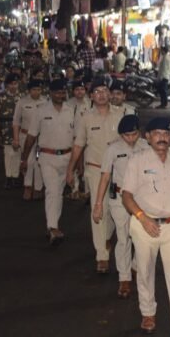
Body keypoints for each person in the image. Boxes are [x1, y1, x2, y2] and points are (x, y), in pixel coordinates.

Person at [121, 117, 170, 337]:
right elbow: (126, 195)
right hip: (145, 225)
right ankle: (148, 312)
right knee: (144, 271)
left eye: (166, 133)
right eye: (157, 133)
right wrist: (143, 218)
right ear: (148, 137)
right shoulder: (137, 160)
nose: (162, 137)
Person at [67, 82, 125, 273]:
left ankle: (106, 238)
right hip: (96, 170)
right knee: (98, 209)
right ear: (91, 96)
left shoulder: (121, 114)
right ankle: (101, 254)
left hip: (118, 171)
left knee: (115, 211)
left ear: (110, 94)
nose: (101, 95)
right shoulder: (85, 118)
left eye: (105, 91)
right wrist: (71, 170)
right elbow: (78, 145)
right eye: (97, 92)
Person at [93, 114, 149, 298]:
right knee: (123, 237)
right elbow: (105, 176)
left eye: (133, 134)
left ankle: (134, 265)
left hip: (141, 198)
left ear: (139, 132)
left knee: (140, 237)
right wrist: (98, 204)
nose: (130, 139)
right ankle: (124, 278)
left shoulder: (146, 147)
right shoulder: (113, 149)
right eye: (126, 135)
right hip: (118, 198)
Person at [23, 79, 75, 245]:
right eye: (57, 92)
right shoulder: (40, 111)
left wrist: (77, 163)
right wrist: (24, 158)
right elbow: (31, 136)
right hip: (47, 157)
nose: (61, 95)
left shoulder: (71, 110)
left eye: (63, 92)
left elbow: (77, 138)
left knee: (58, 193)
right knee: (52, 191)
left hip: (67, 157)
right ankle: (52, 227)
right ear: (51, 93)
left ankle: (53, 225)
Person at [13, 78, 47, 201]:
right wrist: (16, 139)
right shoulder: (22, 102)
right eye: (34, 89)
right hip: (25, 136)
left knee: (38, 161)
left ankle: (38, 187)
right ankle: (27, 186)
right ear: (29, 90)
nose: (36, 92)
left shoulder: (45, 102)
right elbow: (16, 122)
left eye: (38, 89)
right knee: (27, 160)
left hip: (40, 138)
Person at [0, 76, 21, 189]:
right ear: (7, 85)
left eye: (16, 83)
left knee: (17, 153)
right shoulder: (1, 96)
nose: (14, 86)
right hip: (5, 127)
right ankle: (8, 176)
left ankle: (15, 176)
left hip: (19, 127)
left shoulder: (22, 96)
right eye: (11, 83)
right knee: (8, 153)